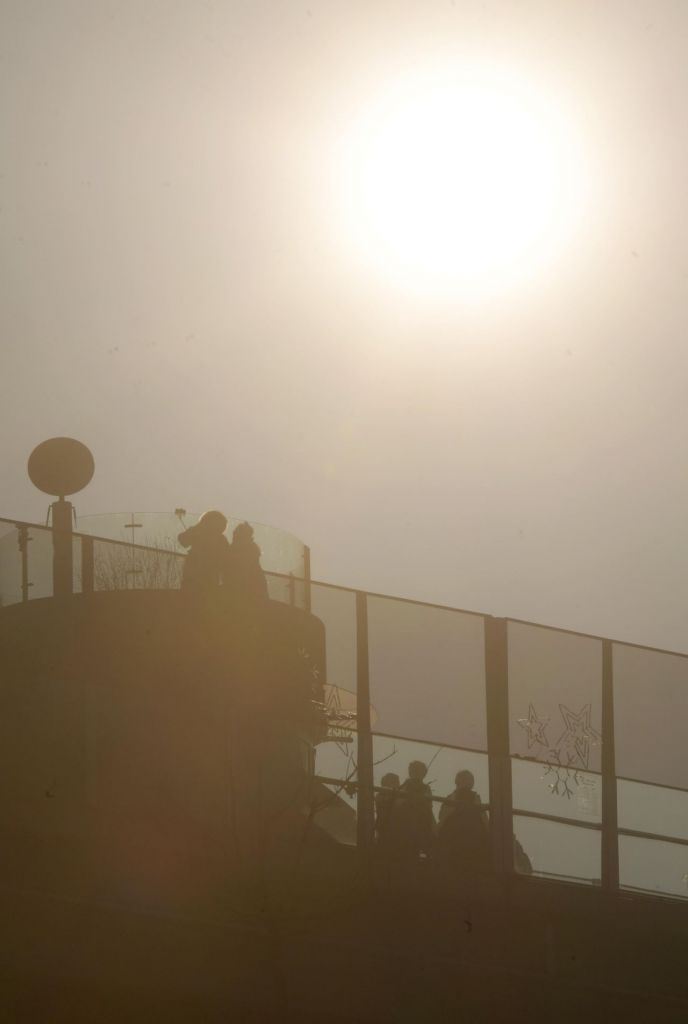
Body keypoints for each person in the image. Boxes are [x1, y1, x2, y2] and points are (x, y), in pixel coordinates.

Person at [437, 769, 490, 874]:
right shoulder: (474, 798)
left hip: (453, 843)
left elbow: (441, 817)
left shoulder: (450, 798)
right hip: (471, 844)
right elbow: (485, 822)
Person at [178, 510, 231, 595]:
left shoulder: (200, 533)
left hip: (198, 579)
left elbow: (183, 540)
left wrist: (197, 527)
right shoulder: (220, 539)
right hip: (203, 580)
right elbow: (183, 540)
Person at [391, 760, 436, 861]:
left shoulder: (403, 787)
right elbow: (429, 810)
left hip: (405, 829)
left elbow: (396, 806)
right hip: (415, 830)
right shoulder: (425, 789)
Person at [225, 521, 268, 602]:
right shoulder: (248, 547)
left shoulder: (246, 548)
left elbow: (242, 570)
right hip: (250, 585)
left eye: (236, 533)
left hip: (249, 586)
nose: (233, 534)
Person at [374, 772, 400, 850]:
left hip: (394, 829)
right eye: (395, 782)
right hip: (385, 828)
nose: (398, 785)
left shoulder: (396, 796)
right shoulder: (380, 796)